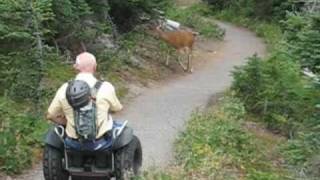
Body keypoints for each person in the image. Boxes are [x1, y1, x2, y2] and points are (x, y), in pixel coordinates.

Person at [46, 52, 123, 139]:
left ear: (75, 68)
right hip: (101, 140)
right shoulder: (106, 87)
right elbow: (117, 109)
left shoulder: (64, 88)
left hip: (73, 143)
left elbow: (50, 115)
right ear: (95, 67)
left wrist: (67, 122)